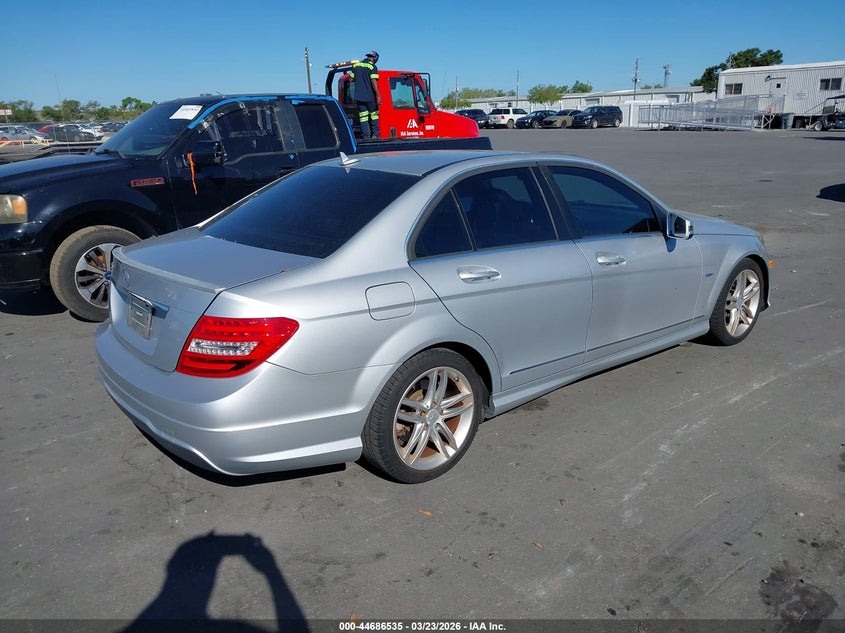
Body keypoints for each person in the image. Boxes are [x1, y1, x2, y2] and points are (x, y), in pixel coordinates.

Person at [349, 51, 381, 139]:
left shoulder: (356, 66)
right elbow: (373, 81)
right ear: (375, 58)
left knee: (363, 117)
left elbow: (350, 79)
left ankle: (366, 136)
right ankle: (375, 135)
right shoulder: (372, 67)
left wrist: (359, 79)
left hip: (359, 97)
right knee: (374, 115)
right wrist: (378, 95)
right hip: (370, 96)